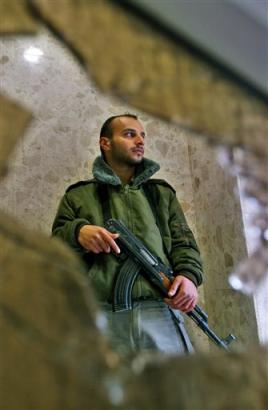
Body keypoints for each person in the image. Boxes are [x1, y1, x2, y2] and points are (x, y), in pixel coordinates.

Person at [52, 114, 203, 356]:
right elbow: (55, 251)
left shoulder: (161, 194)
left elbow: (183, 244)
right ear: (106, 142)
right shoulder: (78, 196)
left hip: (160, 311)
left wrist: (189, 277)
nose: (140, 141)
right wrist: (78, 232)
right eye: (130, 134)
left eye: (142, 135)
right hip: (101, 315)